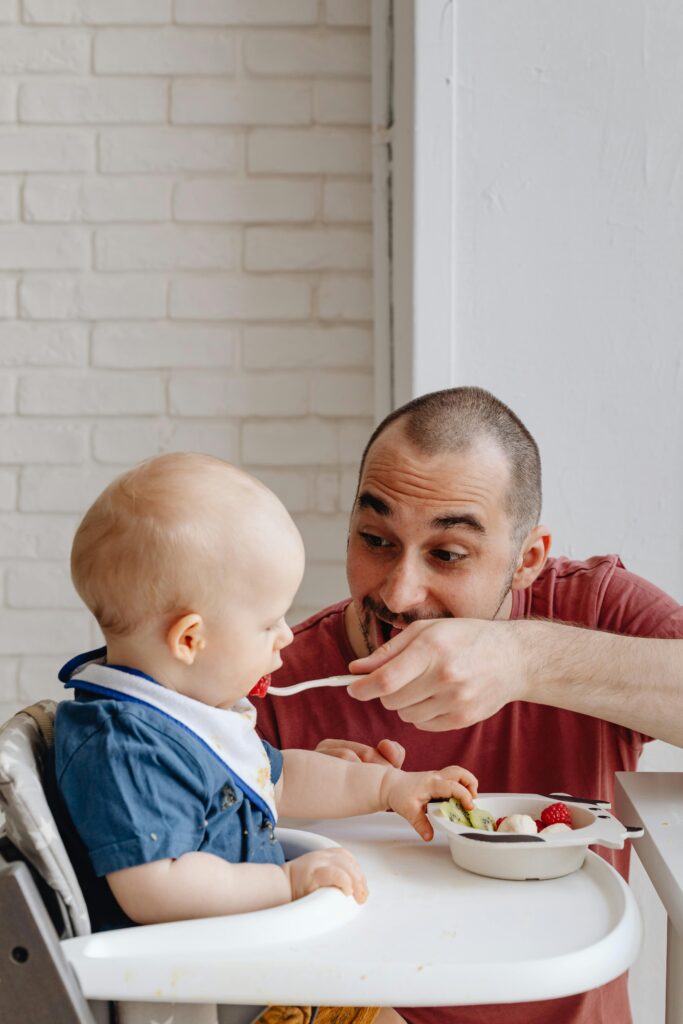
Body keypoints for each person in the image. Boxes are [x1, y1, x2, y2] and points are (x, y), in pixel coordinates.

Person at [256, 386, 683, 1024]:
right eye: (375, 539)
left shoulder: (595, 611)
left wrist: (526, 662)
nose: (399, 593)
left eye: (447, 555)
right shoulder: (273, 677)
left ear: (527, 559)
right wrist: (290, 802)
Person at [51, 452, 479, 1024]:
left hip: (260, 974)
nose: (285, 637)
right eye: (269, 622)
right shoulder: (127, 745)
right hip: (207, 999)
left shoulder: (193, 715)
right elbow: (158, 886)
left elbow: (285, 777)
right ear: (190, 639)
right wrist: (286, 882)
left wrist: (389, 786)